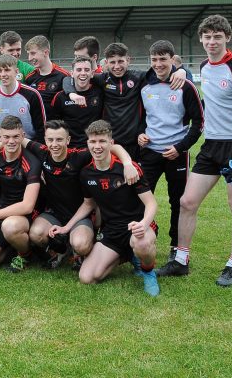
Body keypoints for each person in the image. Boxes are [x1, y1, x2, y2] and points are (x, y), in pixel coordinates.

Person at [157, 15, 232, 287]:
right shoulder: (205, 67)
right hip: (211, 146)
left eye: (217, 37)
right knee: (187, 202)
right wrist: (181, 72)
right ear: (201, 40)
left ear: (227, 38)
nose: (212, 42)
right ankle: (180, 260)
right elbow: (208, 99)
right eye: (207, 37)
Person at [0, 120, 139, 270]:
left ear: (68, 140)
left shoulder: (78, 156)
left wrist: (127, 163)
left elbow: (113, 147)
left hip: (80, 213)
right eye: (50, 140)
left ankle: (77, 252)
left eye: (59, 140)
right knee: (36, 234)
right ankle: (59, 251)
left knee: (81, 244)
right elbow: (12, 138)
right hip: (54, 213)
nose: (54, 144)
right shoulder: (42, 152)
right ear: (45, 140)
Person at [53, 120, 160, 296]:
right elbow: (88, 203)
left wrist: (144, 224)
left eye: (102, 141)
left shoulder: (129, 169)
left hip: (137, 225)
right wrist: (66, 227)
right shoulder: (86, 173)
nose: (97, 146)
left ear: (111, 143)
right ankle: (127, 255)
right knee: (87, 277)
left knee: (142, 243)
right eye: (93, 142)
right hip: (112, 231)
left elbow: (151, 203)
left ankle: (148, 272)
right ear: (87, 143)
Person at [137, 40, 204, 260]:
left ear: (172, 60)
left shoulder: (185, 86)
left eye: (163, 59)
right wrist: (140, 133)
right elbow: (140, 117)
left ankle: (176, 247)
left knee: (178, 202)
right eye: (154, 59)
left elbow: (199, 123)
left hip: (176, 153)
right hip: (149, 153)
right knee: (139, 198)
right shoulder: (144, 84)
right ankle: (140, 239)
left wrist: (180, 147)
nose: (158, 64)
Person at [63, 42, 186, 161]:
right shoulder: (102, 80)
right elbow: (69, 78)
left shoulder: (139, 77)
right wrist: (71, 93)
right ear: (106, 63)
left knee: (134, 178)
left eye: (121, 61)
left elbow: (163, 71)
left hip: (136, 142)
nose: (117, 66)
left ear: (128, 60)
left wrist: (180, 71)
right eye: (112, 62)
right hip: (110, 141)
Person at [0, 116, 41, 272]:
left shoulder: (31, 163)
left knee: (10, 227)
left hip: (24, 216)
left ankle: (25, 253)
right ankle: (12, 248)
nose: (11, 141)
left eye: (16, 137)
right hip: (1, 210)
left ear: (23, 136)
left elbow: (28, 206)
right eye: (7, 137)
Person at [0, 54, 46, 141]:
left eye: (7, 70)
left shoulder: (32, 94)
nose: (3, 74)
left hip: (30, 144)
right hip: (4, 145)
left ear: (16, 71)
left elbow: (41, 128)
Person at [51, 55, 104, 148]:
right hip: (69, 147)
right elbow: (54, 125)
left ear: (92, 73)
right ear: (72, 73)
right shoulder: (60, 97)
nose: (83, 73)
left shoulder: (100, 93)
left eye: (87, 70)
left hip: (94, 147)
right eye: (79, 70)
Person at [24, 34, 70, 120]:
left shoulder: (63, 76)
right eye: (28, 54)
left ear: (46, 52)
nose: (29, 58)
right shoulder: (30, 78)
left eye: (33, 53)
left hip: (55, 129)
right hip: (37, 128)